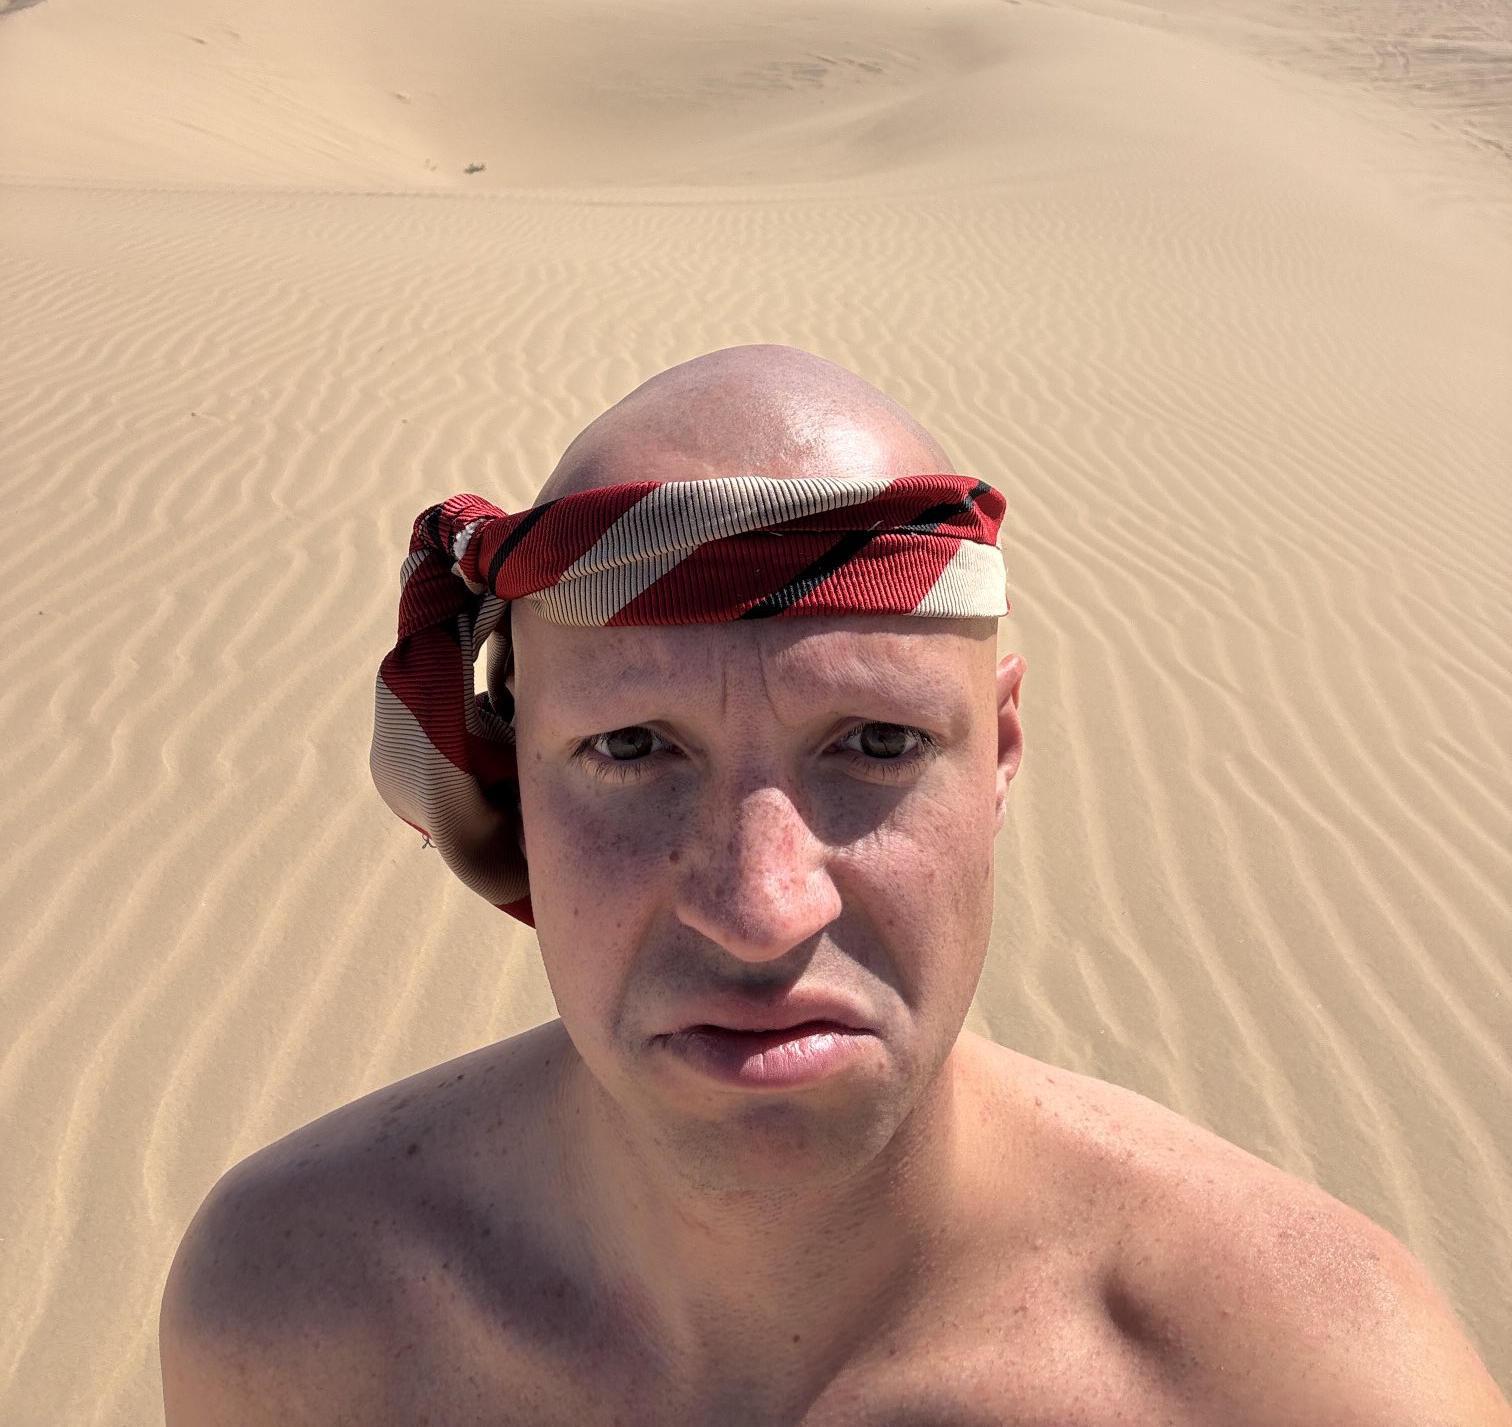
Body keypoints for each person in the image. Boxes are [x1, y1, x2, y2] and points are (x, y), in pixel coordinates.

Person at [161, 346, 1508, 1424]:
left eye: (875, 745)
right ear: (516, 783)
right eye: (630, 749)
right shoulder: (298, 1315)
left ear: (1003, 757)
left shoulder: (1311, 1381)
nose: (762, 906)